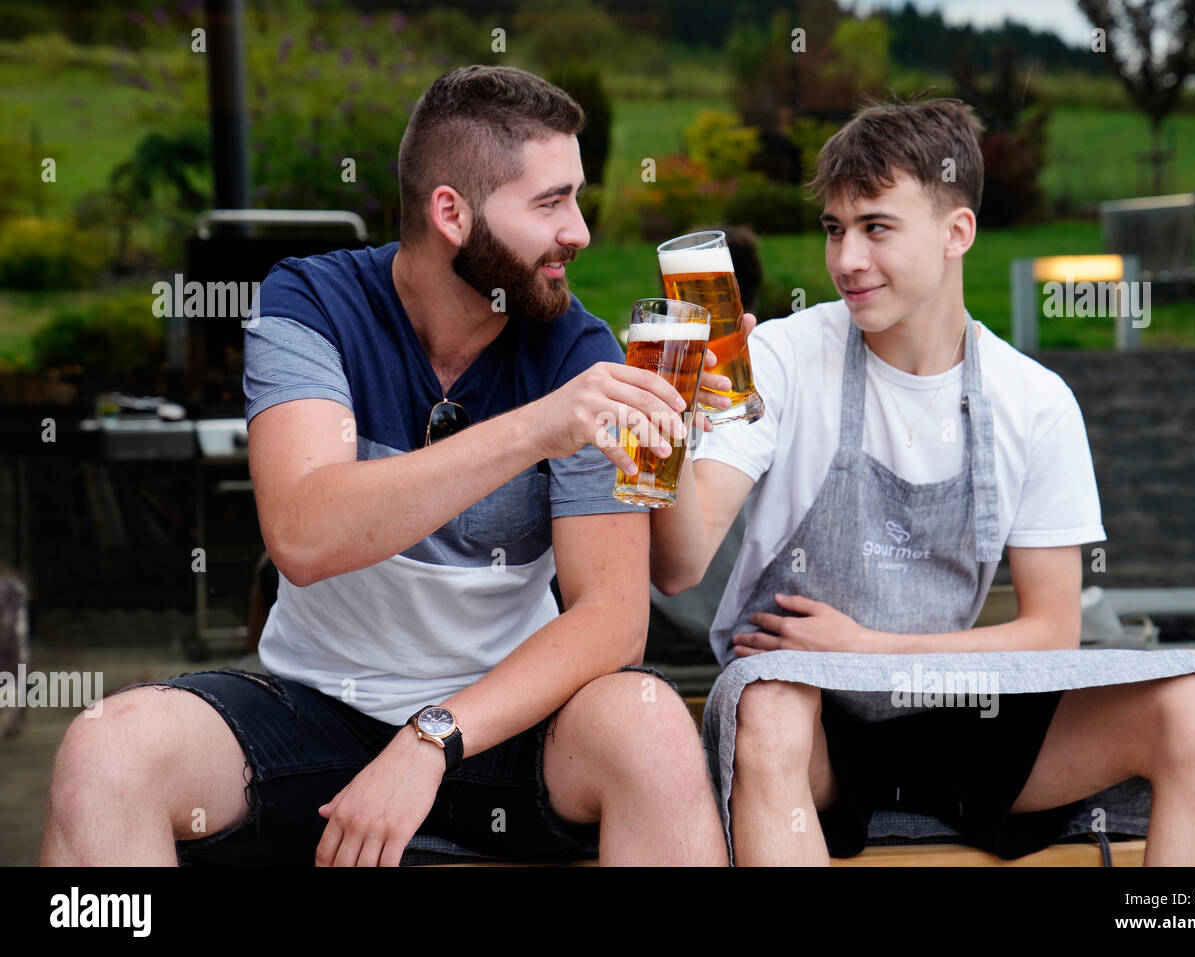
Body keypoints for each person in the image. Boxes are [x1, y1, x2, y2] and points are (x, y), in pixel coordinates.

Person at [41, 65, 728, 867]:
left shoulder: (577, 348)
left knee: (651, 718)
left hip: (509, 725)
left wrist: (433, 736)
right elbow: (304, 532)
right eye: (551, 203)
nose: (579, 230)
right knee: (103, 750)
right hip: (318, 710)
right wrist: (536, 429)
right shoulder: (311, 304)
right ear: (451, 212)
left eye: (576, 198)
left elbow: (612, 618)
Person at [649, 97, 1195, 866]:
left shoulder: (1032, 400)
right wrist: (665, 437)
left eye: (876, 227)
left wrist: (868, 648)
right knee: (769, 705)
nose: (845, 260)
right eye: (835, 229)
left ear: (956, 231)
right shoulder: (777, 358)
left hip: (959, 710)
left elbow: (1051, 634)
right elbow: (678, 566)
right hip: (812, 732)